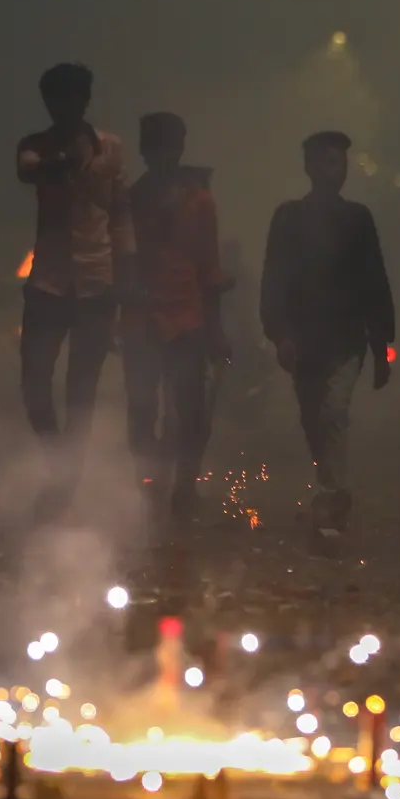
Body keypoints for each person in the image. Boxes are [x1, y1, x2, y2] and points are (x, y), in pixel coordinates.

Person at [259, 130, 395, 537]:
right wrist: (280, 334)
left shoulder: (357, 218)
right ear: (309, 167)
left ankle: (334, 495)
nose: (333, 169)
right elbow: (274, 281)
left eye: (339, 161)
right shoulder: (288, 218)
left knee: (332, 413)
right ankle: (331, 492)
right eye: (325, 161)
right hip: (305, 339)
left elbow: (375, 280)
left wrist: (380, 342)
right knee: (313, 419)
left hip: (347, 338)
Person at [16, 63, 136, 508]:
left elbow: (120, 215)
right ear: (48, 103)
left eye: (72, 98)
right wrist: (62, 161)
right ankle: (59, 466)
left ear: (85, 100)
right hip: (48, 280)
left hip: (96, 283)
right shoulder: (35, 148)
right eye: (56, 99)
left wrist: (125, 279)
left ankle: (66, 481)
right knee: (34, 384)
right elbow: (29, 170)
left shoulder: (111, 149)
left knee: (80, 389)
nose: (64, 106)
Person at [123, 113, 231, 520]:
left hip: (187, 317)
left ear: (180, 147)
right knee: (142, 413)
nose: (165, 152)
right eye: (157, 144)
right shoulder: (132, 200)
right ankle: (151, 487)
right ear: (145, 149)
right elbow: (123, 262)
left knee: (190, 412)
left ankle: (183, 488)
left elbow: (210, 267)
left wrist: (215, 328)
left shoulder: (199, 201)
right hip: (141, 319)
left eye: (171, 143)